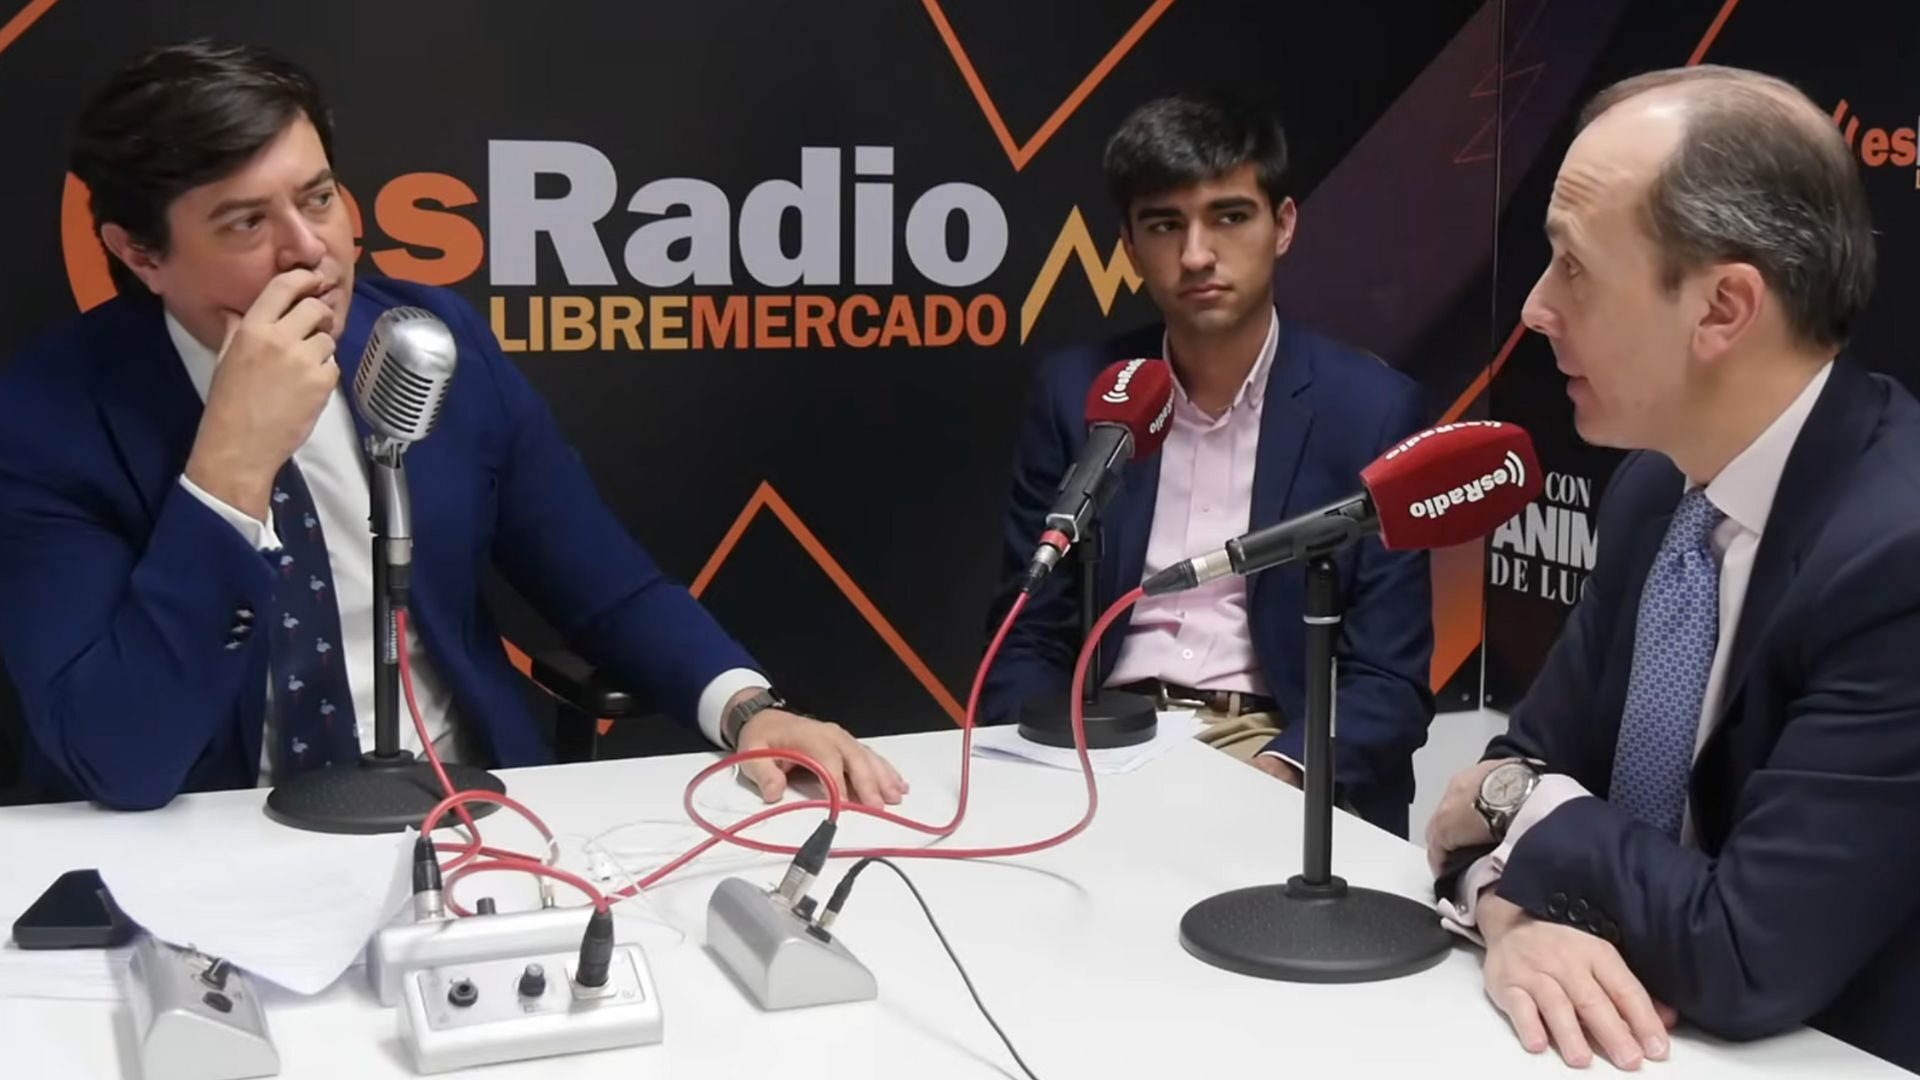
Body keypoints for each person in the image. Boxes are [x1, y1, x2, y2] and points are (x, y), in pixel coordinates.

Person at [0, 40, 905, 812]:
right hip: (213, 841)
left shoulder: (428, 340)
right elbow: (117, 754)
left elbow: (608, 588)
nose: (310, 249)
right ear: (140, 253)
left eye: (318, 198)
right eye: (245, 223)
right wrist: (231, 465)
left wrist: (750, 712)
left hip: (459, 811)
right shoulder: (49, 419)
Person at [1425, 65, 1920, 1072]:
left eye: (1574, 267)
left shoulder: (1897, 553)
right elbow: (1508, 777)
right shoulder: (1656, 490)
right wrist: (1513, 921)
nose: (1534, 307)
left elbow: (1746, 952)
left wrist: (1520, 810)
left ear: (1724, 308)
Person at [981, 93, 1435, 837]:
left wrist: (1279, 774)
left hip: (1269, 743)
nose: (1196, 255)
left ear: (1282, 225)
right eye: (1165, 225)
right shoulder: (1080, 392)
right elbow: (1027, 634)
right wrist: (1053, 762)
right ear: (1129, 247)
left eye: (1229, 216)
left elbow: (1387, 681)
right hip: (1106, 739)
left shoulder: (1374, 411)